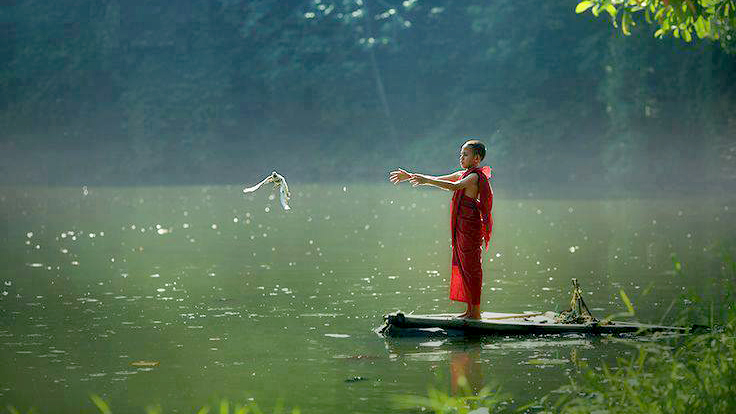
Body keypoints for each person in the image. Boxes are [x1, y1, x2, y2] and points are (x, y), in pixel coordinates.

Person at [389, 140, 493, 319]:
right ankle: (469, 311)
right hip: (461, 227)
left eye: (465, 155)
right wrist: (411, 176)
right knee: (463, 266)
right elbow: (439, 178)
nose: (461, 157)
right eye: (461, 154)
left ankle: (475, 313)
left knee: (471, 268)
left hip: (470, 228)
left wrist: (425, 180)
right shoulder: (463, 173)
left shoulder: (474, 177)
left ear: (476, 158)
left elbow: (453, 187)